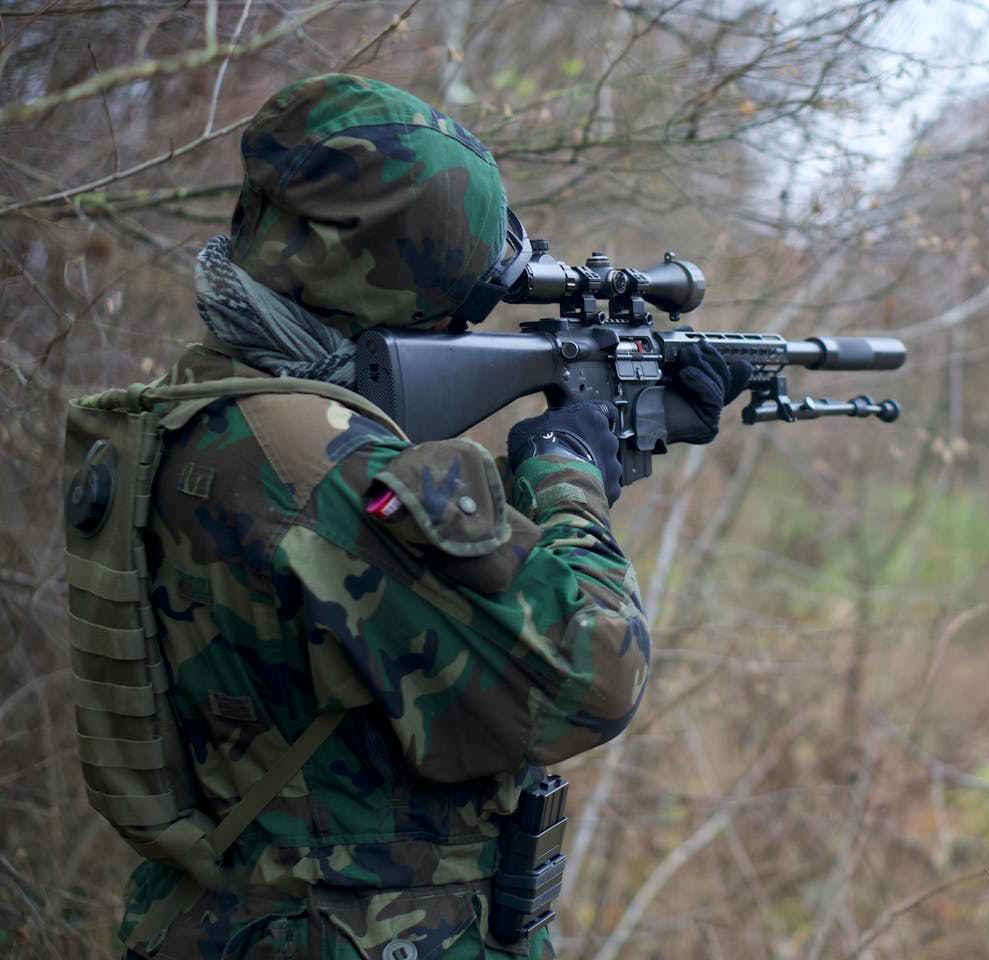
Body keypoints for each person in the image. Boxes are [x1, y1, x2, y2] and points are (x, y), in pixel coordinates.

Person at [102, 73, 748, 959]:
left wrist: (583, 460)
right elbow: (592, 675)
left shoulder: (203, 414)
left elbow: (379, 593)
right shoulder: (319, 464)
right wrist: (567, 481)